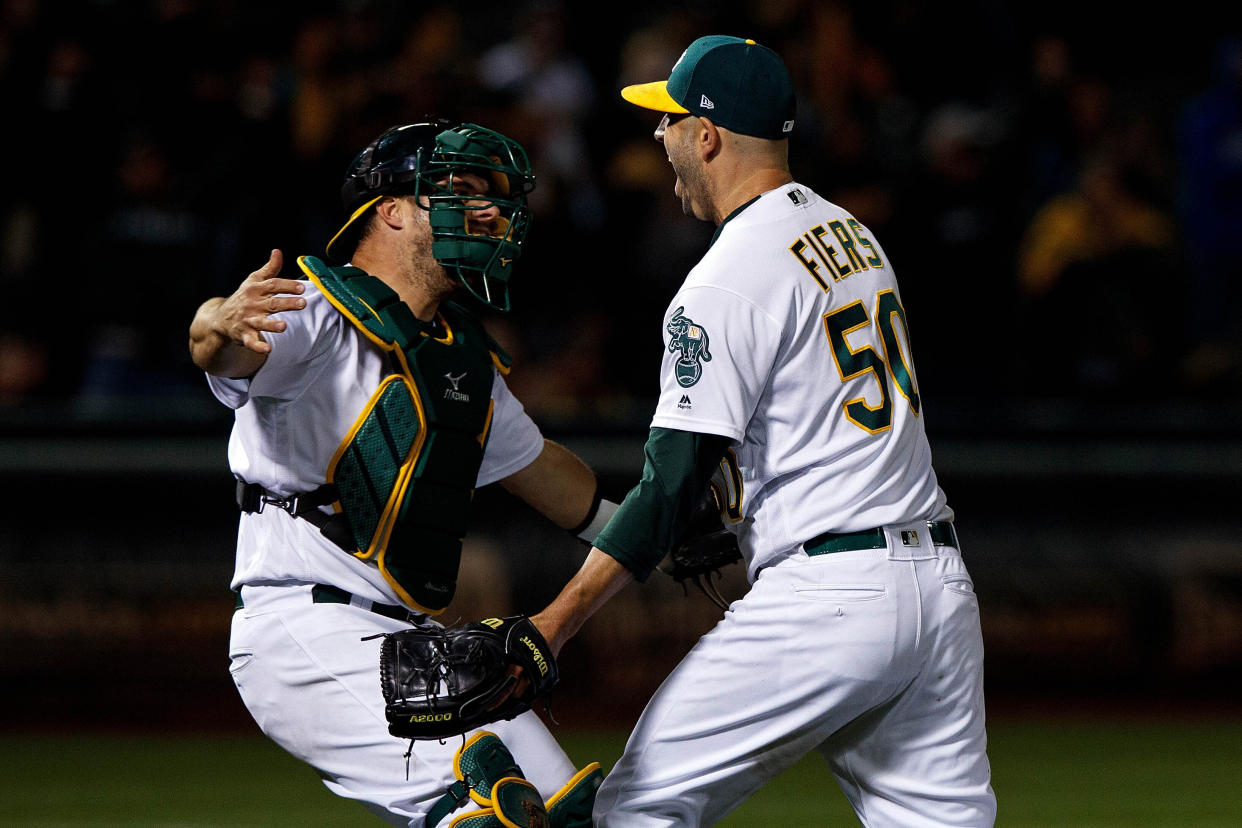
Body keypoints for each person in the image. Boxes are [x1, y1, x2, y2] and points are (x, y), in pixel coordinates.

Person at [528, 36, 997, 826]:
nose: (659, 136)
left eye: (670, 120)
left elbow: (670, 483)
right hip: (939, 589)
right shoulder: (852, 234)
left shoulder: (723, 278)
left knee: (635, 812)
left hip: (831, 596)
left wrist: (552, 626)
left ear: (706, 136)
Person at [188, 120, 612, 827]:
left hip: (416, 642)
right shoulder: (316, 314)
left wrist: (665, 524)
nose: (486, 212)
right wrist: (215, 323)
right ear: (390, 209)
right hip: (302, 630)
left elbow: (564, 488)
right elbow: (220, 346)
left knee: (575, 815)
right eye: (462, 191)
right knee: (492, 810)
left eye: (491, 196)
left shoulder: (464, 369)